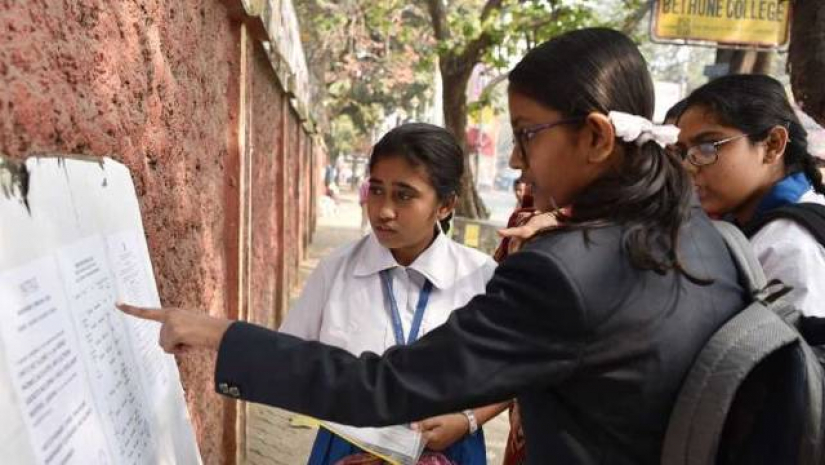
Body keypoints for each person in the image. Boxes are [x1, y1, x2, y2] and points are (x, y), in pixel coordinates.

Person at [119, 28, 745, 465]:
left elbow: (384, 386)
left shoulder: (566, 273)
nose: (521, 162)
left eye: (528, 134)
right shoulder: (702, 237)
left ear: (598, 137)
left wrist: (220, 335)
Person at [283, 123, 506, 464]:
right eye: (376, 190)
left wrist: (468, 420)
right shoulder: (337, 271)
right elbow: (290, 361)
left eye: (404, 195)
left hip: (449, 451)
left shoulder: (481, 277)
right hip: (347, 449)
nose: (384, 210)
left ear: (445, 205)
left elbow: (517, 371)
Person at [674, 74, 825, 317]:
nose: (688, 166)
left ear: (772, 144)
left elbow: (792, 352)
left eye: (707, 146)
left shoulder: (789, 247)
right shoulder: (751, 224)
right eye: (683, 152)